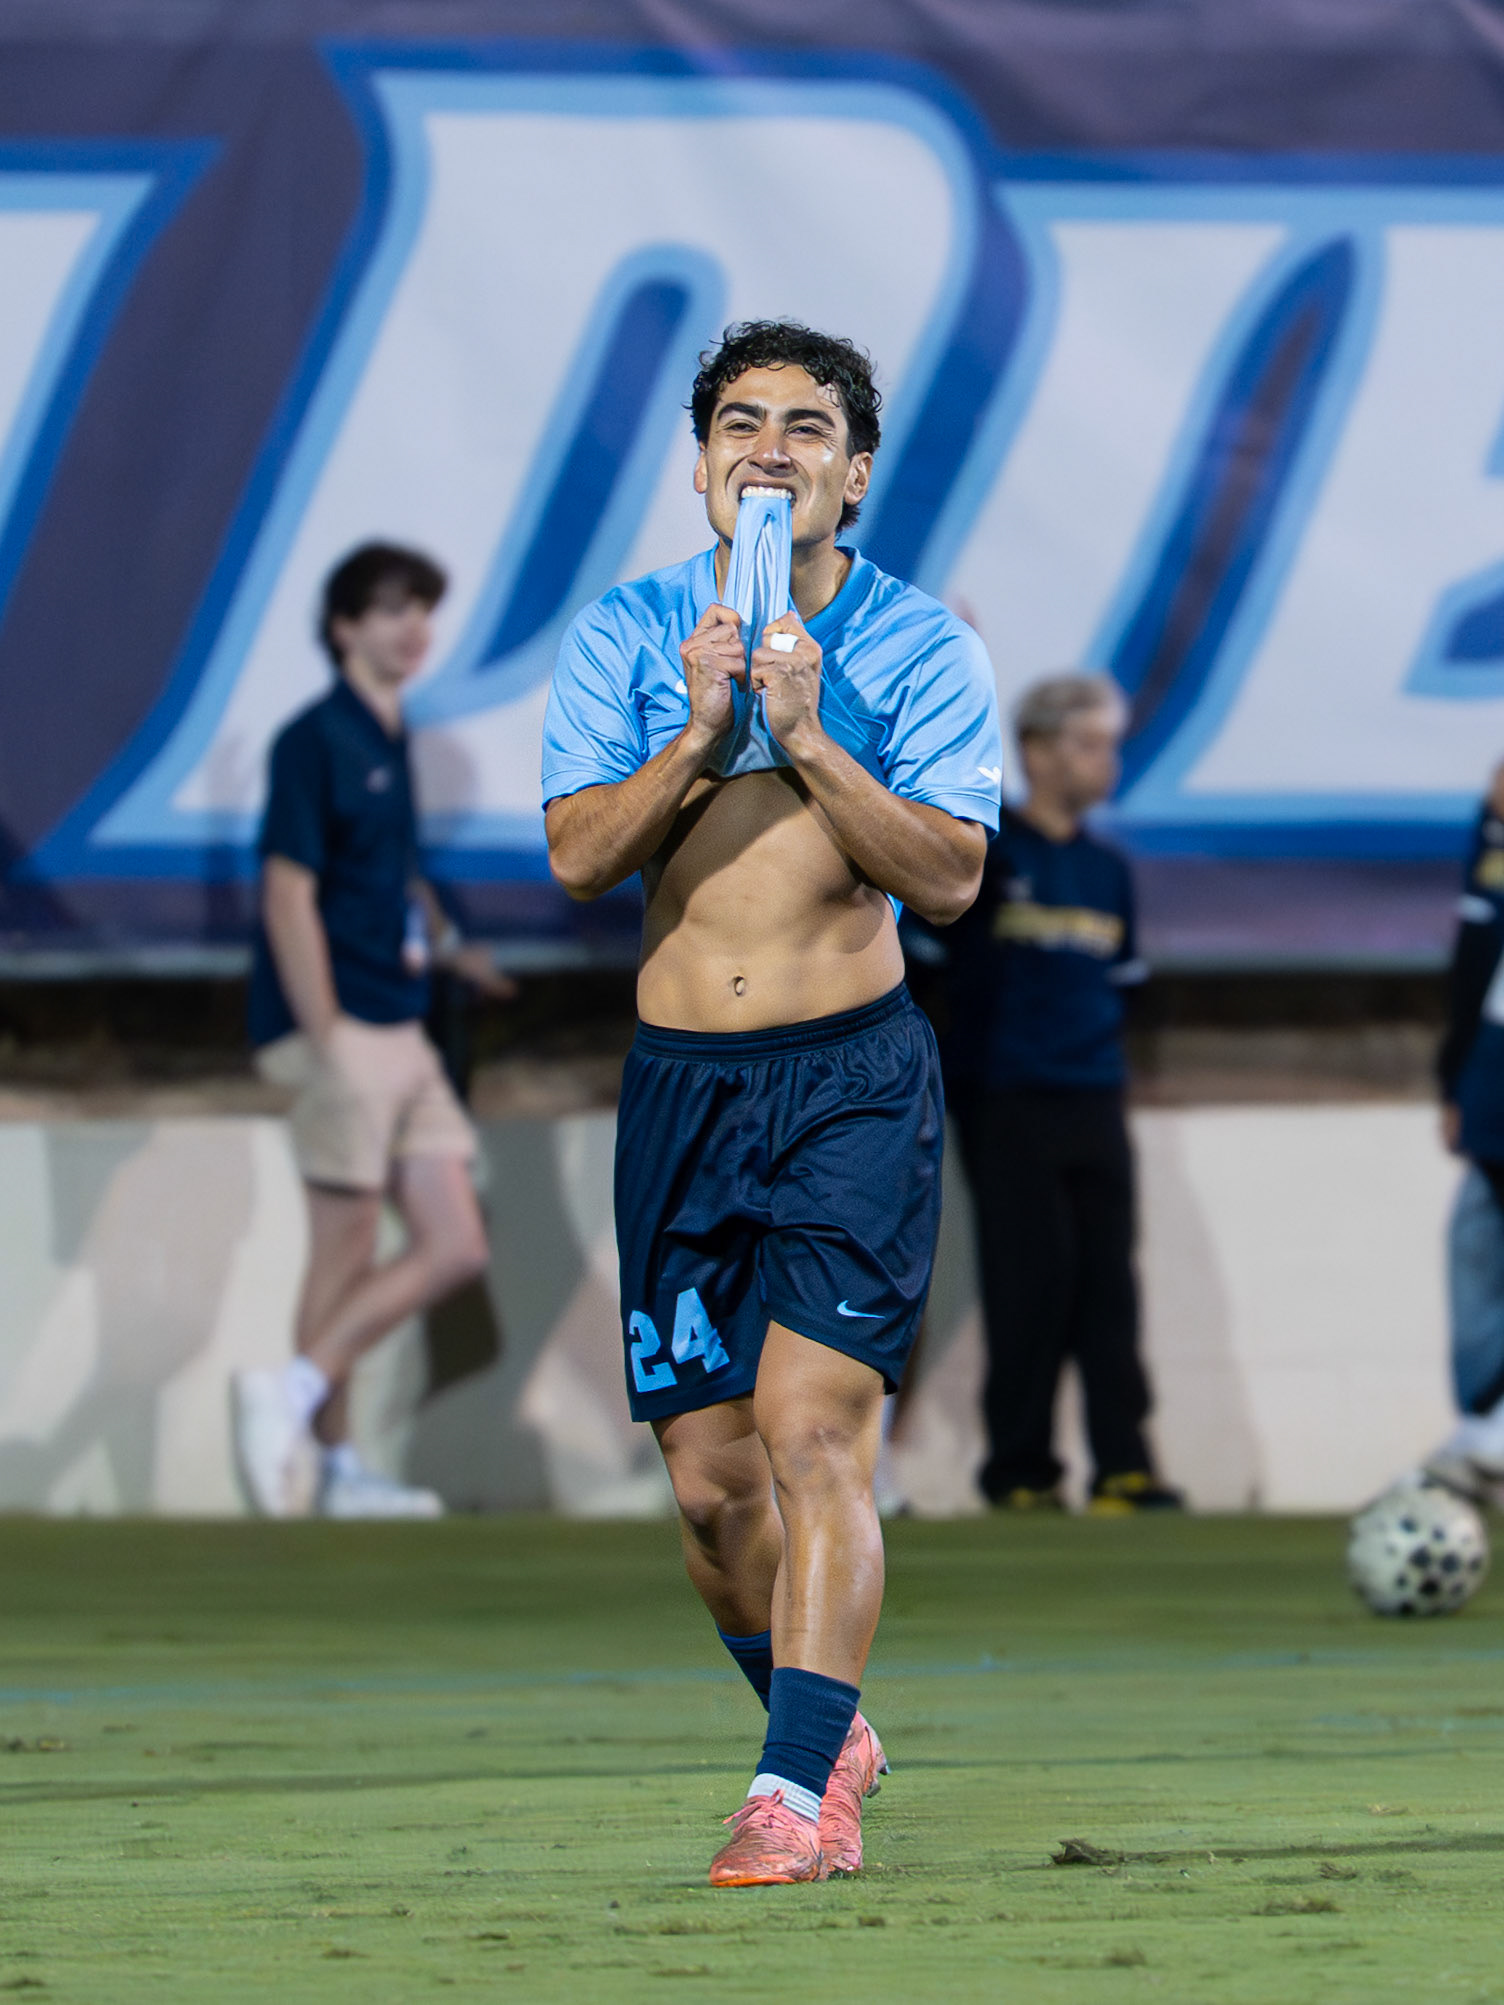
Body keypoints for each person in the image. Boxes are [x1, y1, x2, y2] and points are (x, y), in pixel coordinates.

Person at [541, 321, 1001, 1885]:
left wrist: (806, 736)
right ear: (700, 463)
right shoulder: (627, 633)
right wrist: (700, 729)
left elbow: (950, 878)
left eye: (809, 427)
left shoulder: (921, 645)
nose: (770, 449)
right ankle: (824, 1727)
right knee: (712, 1488)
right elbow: (579, 860)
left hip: (850, 1083)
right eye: (741, 422)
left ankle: (792, 1796)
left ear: (852, 475)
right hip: (682, 1091)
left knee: (816, 1436)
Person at [232, 542, 514, 1520]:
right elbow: (287, 892)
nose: (414, 628)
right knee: (344, 1249)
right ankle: (333, 1466)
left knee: (456, 1241)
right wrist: (327, 1033)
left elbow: (394, 880)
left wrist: (454, 951)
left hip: (402, 1025)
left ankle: (293, 1393)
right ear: (344, 625)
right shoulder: (313, 739)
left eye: (423, 609)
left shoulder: (390, 734)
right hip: (343, 1028)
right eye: (393, 609)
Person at [934, 672, 1182, 1515]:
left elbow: (1124, 987)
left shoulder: (1108, 869)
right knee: (1028, 1280)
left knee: (1109, 1282)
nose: (1105, 762)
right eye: (1086, 744)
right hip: (1006, 1095)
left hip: (1094, 1094)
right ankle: (1021, 1468)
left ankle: (1124, 1465)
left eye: (1110, 745)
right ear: (1035, 751)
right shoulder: (990, 855)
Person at [1427, 759, 1504, 1498]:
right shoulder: (1492, 849)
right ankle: (1485, 1422)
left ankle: (1492, 1427)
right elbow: (1474, 965)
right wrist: (1458, 1078)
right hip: (1493, 1078)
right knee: (1475, 1247)